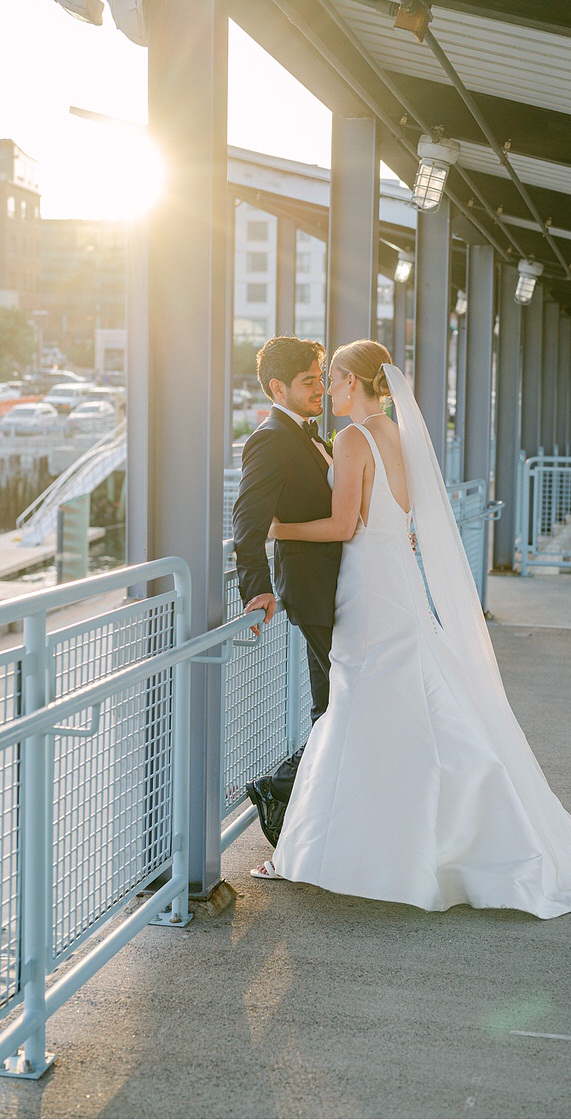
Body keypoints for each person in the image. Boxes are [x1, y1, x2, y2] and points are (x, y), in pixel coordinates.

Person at [250, 339, 571, 919]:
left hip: (369, 587)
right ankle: (412, 840)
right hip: (396, 580)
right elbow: (402, 521)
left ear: (354, 381)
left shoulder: (352, 438)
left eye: (334, 380)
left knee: (357, 702)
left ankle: (349, 847)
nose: (328, 391)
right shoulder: (396, 436)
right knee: (399, 701)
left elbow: (346, 524)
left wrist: (278, 529)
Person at [233, 336, 342, 847]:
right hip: (310, 588)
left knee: (334, 701)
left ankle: (311, 815)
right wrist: (256, 588)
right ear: (278, 387)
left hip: (336, 584)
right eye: (308, 382)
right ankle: (277, 788)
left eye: (321, 378)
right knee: (341, 701)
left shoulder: (308, 433)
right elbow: (248, 521)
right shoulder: (271, 438)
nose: (320, 388)